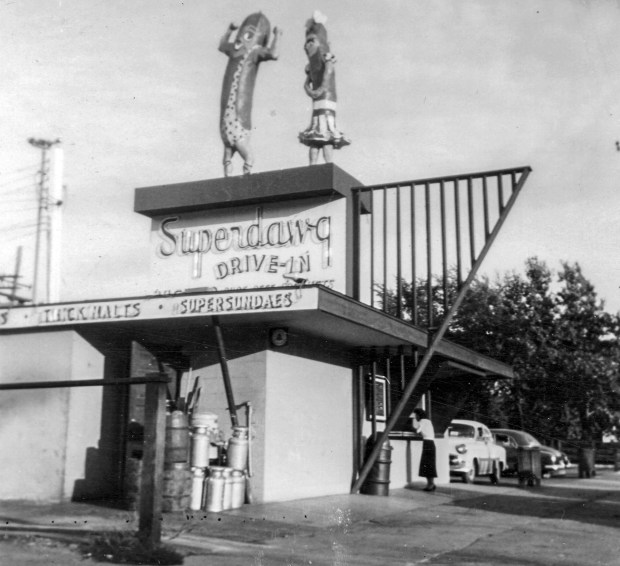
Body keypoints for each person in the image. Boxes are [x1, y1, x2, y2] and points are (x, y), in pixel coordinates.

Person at [411, 408, 437, 491]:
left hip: (427, 443)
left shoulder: (422, 421)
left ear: (419, 415)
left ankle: (430, 484)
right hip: (432, 443)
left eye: (416, 415)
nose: (415, 417)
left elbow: (417, 430)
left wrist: (413, 422)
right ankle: (431, 483)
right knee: (430, 464)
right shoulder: (428, 421)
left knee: (427, 464)